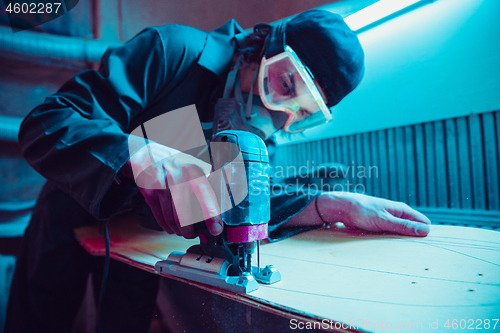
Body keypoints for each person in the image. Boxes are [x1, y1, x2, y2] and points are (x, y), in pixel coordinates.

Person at [5, 9, 431, 333]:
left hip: (144, 239)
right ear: (262, 45)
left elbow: (235, 200)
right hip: (72, 213)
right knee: (40, 318)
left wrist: (328, 204)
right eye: (286, 86)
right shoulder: (173, 51)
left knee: (125, 322)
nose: (281, 117)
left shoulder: (250, 137)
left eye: (302, 113)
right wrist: (142, 156)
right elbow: (50, 122)